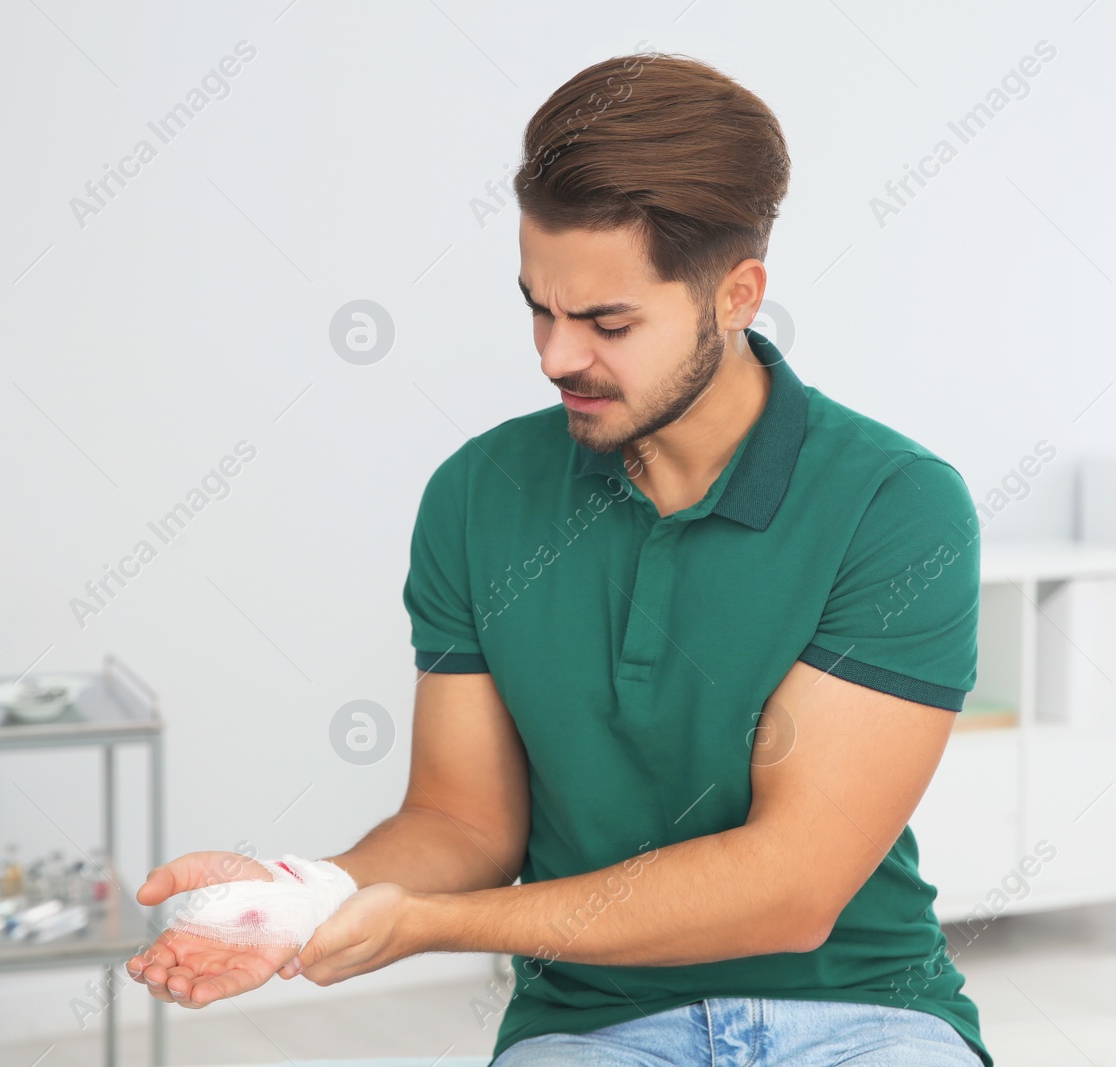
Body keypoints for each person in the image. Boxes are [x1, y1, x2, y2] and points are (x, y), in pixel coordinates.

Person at [127, 49, 990, 1067]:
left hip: (861, 1009)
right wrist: (306, 891)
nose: (555, 356)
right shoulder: (479, 494)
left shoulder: (894, 502)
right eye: (539, 306)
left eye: (606, 322)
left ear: (736, 295)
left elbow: (791, 887)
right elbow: (460, 819)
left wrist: (435, 924)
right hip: (592, 1025)